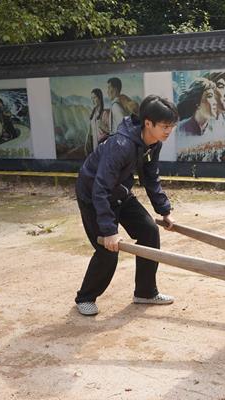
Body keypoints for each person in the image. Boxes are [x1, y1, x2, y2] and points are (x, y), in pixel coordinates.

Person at [74, 95, 179, 316]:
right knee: (108, 249)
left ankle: (145, 292)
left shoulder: (153, 143)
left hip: (120, 192)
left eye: (172, 126)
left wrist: (164, 211)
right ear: (148, 123)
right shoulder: (121, 145)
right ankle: (85, 297)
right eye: (165, 126)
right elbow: (100, 187)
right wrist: (109, 230)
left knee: (149, 231)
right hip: (94, 195)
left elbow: (151, 177)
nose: (169, 131)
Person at [85, 88, 110, 155]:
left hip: (103, 146)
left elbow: (112, 132)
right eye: (91, 98)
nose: (93, 100)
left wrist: (103, 127)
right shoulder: (93, 114)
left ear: (100, 98)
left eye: (94, 98)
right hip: (95, 147)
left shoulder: (105, 113)